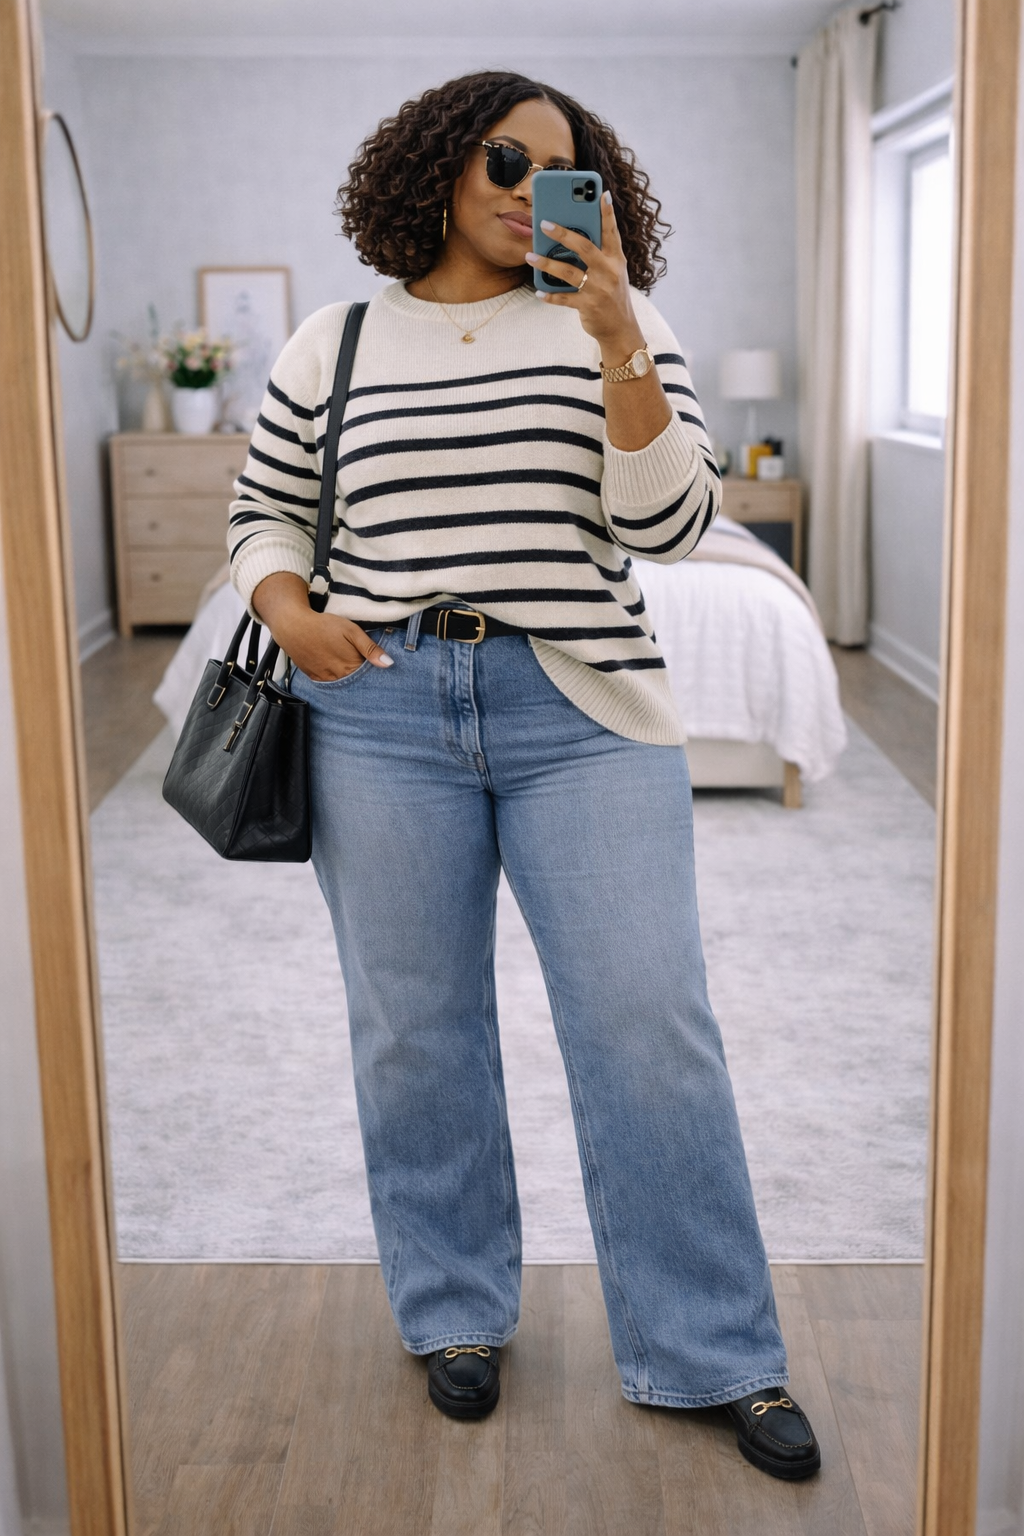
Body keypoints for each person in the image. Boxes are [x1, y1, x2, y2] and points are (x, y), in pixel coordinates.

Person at [227, 70, 820, 1481]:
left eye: (561, 168)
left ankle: (713, 1350)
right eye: (503, 157)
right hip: (379, 709)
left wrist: (616, 338)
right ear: (439, 165)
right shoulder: (335, 339)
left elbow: (674, 527)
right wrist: (288, 610)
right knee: (413, 1029)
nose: (525, 187)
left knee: (647, 1025)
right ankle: (454, 1313)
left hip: (583, 710)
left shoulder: (621, 323)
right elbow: (265, 511)